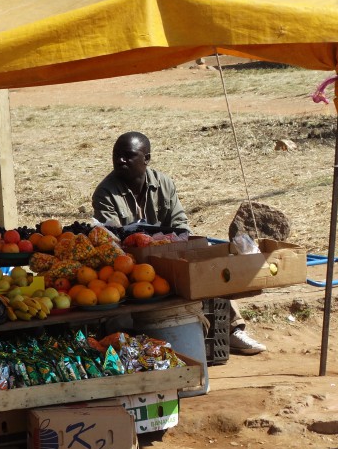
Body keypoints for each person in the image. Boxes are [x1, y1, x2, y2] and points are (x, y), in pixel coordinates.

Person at [92, 131, 266, 355]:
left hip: (167, 252)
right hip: (129, 259)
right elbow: (113, 235)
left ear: (146, 159)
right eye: (116, 155)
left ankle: (233, 330)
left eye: (128, 156)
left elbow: (180, 225)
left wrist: (163, 242)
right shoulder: (106, 191)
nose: (120, 160)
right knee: (116, 279)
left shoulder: (164, 183)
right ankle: (125, 339)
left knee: (210, 264)